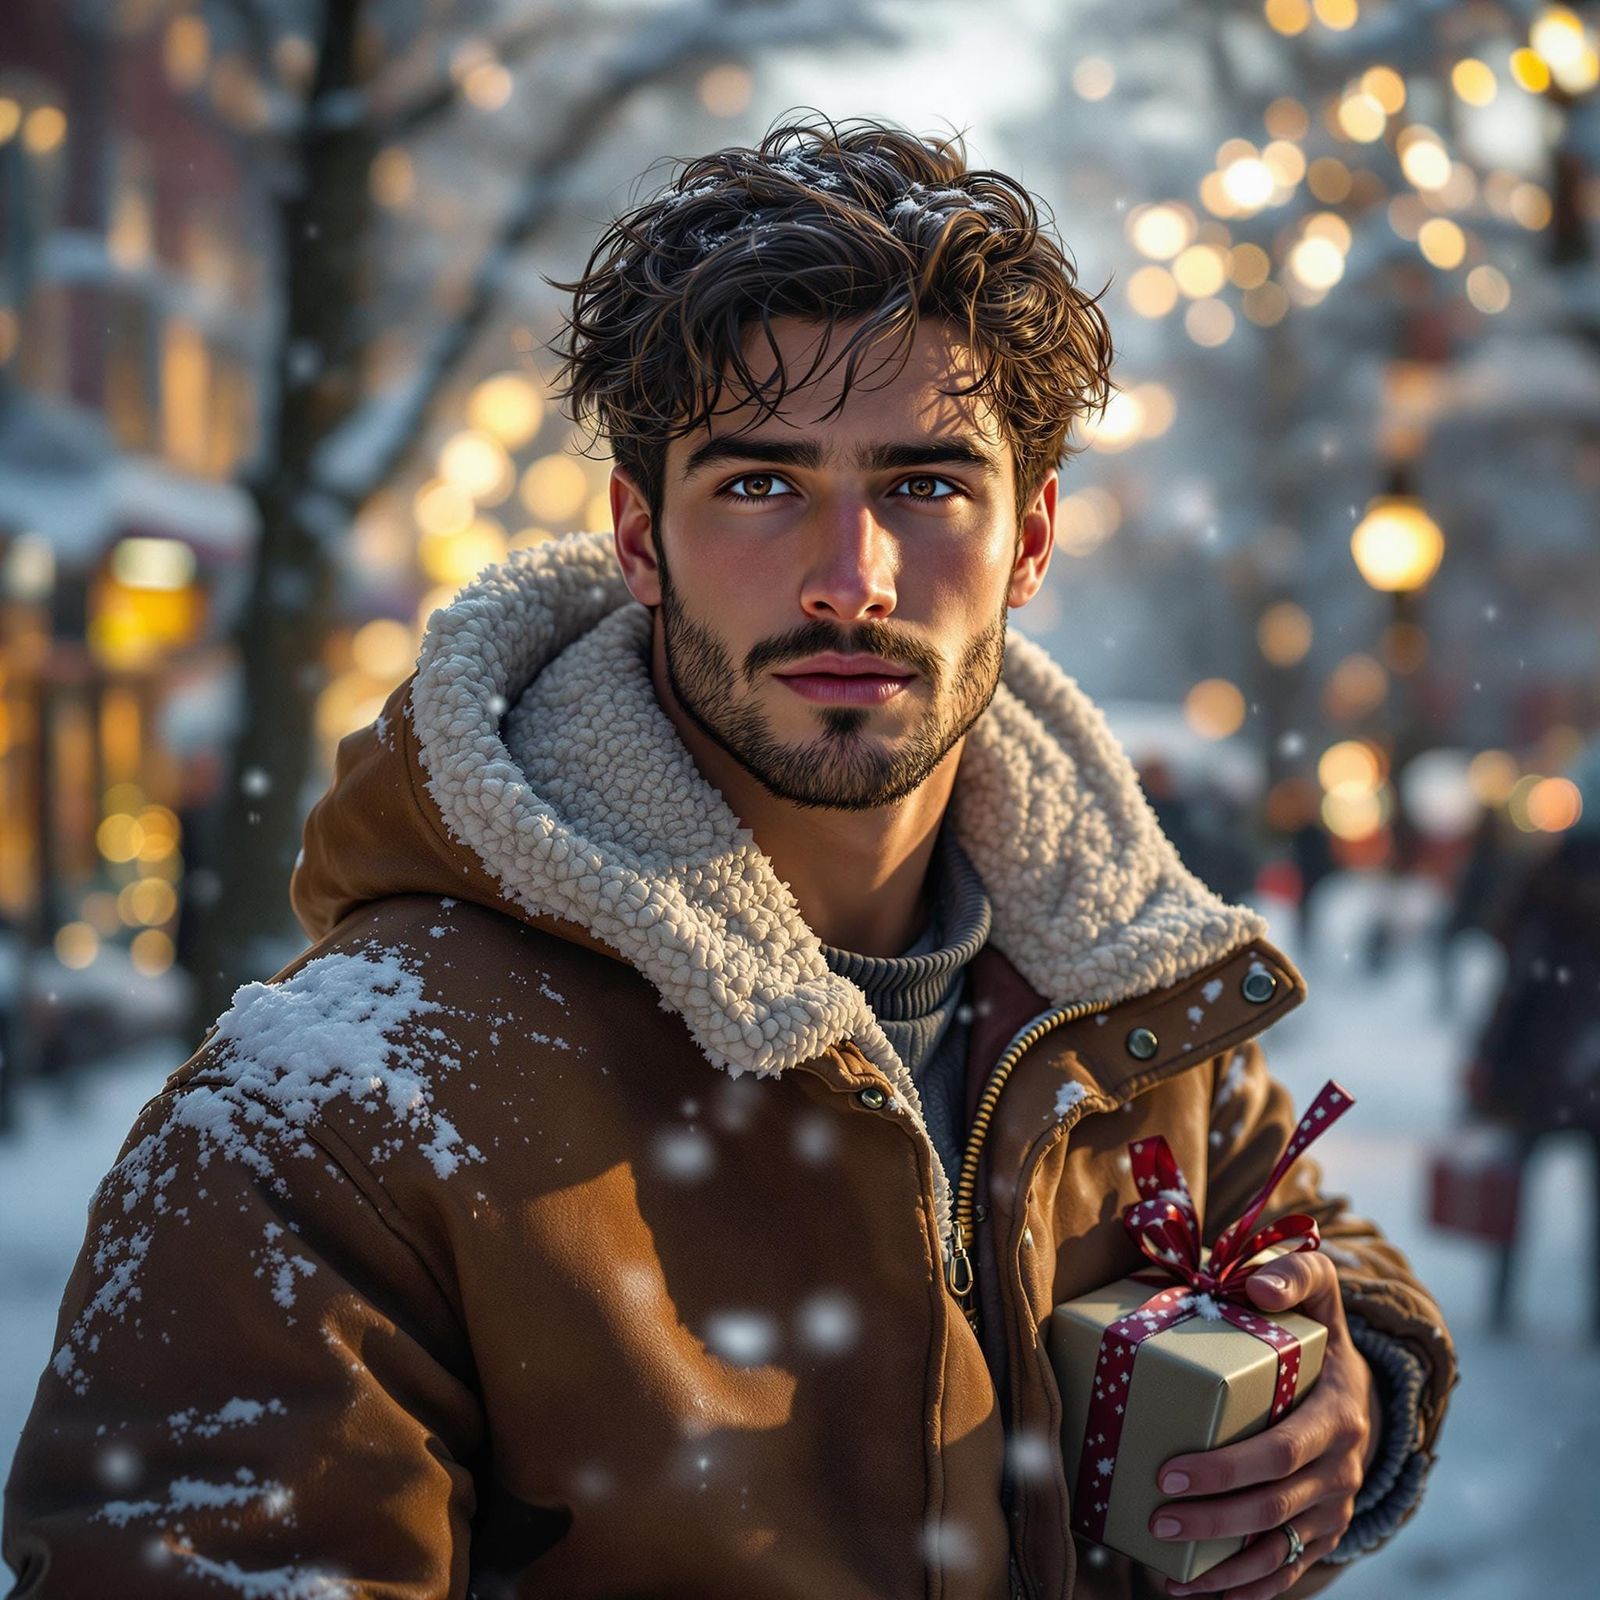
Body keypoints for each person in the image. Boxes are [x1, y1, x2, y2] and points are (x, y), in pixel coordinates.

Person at [3, 116, 1455, 1600]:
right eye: (761, 484)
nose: (850, 580)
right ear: (639, 535)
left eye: (926, 485)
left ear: (1031, 542)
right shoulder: (336, 1120)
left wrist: (1362, 1387)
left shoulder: (1125, 984)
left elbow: (1299, 1228)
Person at [1466, 737, 1600, 1336]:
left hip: (1541, 1061)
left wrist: (1489, 1056)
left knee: (1514, 1183)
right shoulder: (1550, 880)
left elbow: (1515, 977)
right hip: (1581, 1060)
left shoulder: (1547, 878)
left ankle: (1503, 1296)